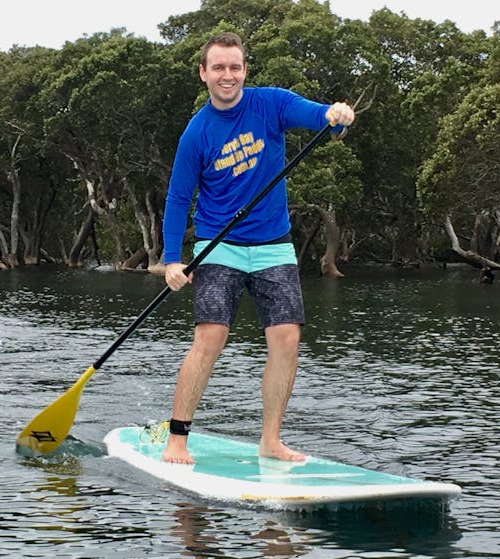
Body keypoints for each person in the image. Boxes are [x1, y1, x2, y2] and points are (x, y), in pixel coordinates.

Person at [161, 32, 355, 464]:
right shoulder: (196, 133)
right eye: (218, 67)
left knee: (287, 339)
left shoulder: (272, 103)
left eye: (235, 67)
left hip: (273, 245)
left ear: (244, 70)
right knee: (210, 337)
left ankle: (270, 440)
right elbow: (178, 197)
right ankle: (177, 439)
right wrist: (173, 258)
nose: (227, 75)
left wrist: (334, 113)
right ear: (203, 74)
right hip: (219, 244)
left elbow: (318, 115)